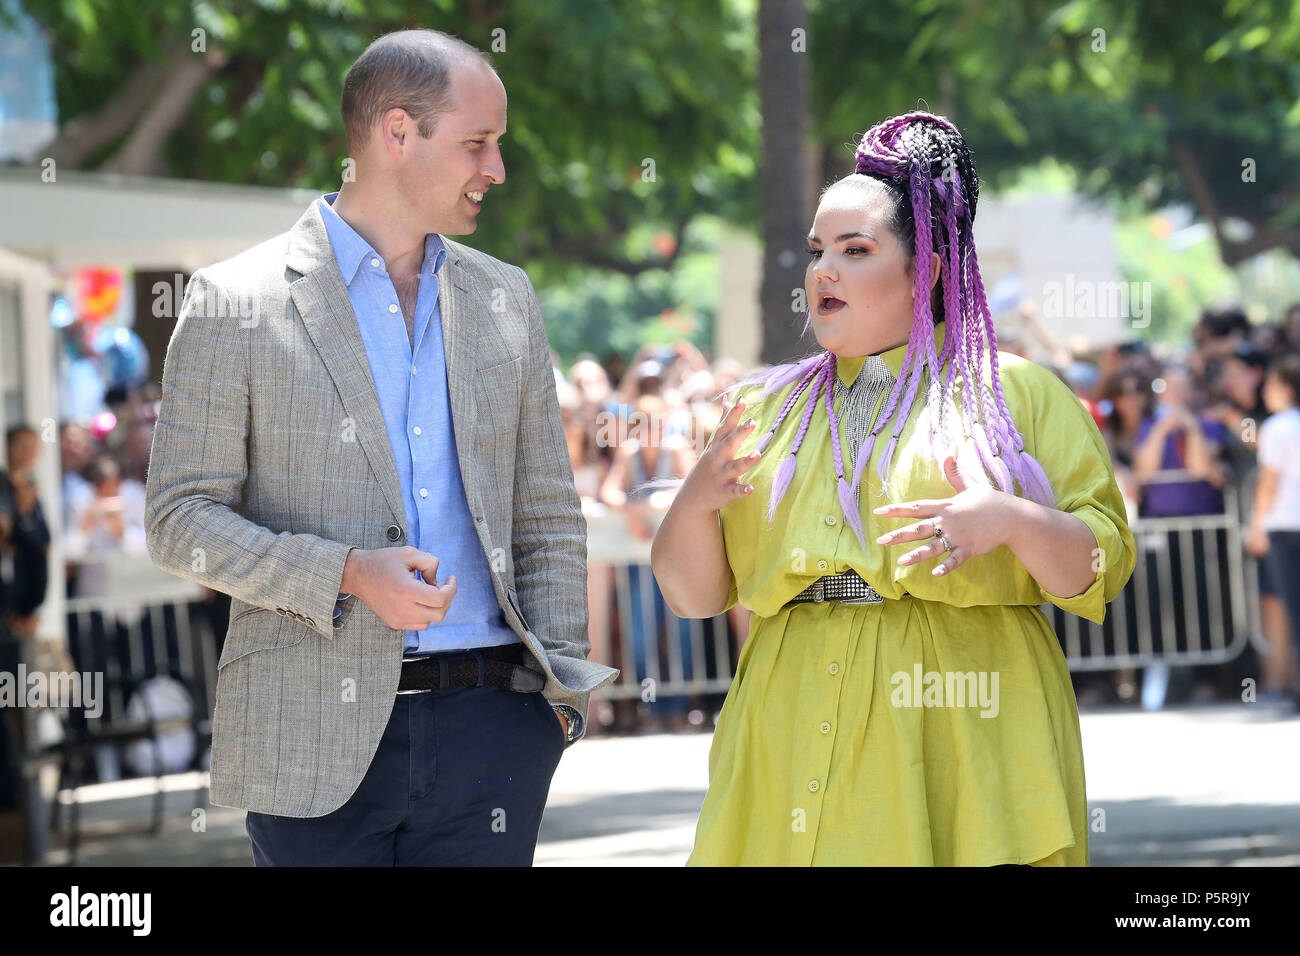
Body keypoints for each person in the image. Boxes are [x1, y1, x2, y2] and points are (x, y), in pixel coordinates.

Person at [144, 29, 616, 866]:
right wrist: (348, 575)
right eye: (478, 144)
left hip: (493, 735)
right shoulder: (232, 302)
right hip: (307, 740)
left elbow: (547, 511)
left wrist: (558, 696)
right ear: (397, 133)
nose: (496, 170)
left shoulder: (506, 297)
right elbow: (180, 520)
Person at [653, 111, 1136, 866]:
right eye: (818, 252)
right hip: (787, 717)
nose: (824, 272)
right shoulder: (759, 409)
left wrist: (1011, 519)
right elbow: (692, 597)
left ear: (929, 271)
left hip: (963, 721)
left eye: (855, 250)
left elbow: (1099, 569)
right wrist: (693, 503)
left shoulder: (1016, 395)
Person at [1245, 354, 1300, 707]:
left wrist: (1256, 525)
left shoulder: (1277, 427)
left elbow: (1269, 480)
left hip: (1285, 525)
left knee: (1294, 605)